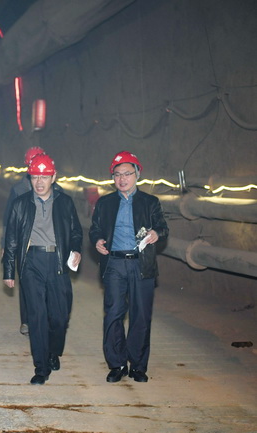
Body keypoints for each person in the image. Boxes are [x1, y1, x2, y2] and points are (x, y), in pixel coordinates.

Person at [3, 153, 83, 385]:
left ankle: (53, 352)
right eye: (35, 177)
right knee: (37, 316)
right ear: (29, 178)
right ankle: (41, 367)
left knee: (59, 317)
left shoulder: (65, 202)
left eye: (44, 177)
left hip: (57, 261)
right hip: (31, 262)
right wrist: (9, 271)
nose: (39, 182)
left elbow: (76, 232)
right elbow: (11, 240)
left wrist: (76, 250)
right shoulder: (20, 204)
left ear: (53, 177)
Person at [89, 151, 168, 383]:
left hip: (141, 264)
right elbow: (95, 228)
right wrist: (97, 240)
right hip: (114, 263)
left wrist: (156, 233)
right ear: (112, 177)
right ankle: (117, 364)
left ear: (137, 174)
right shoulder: (104, 203)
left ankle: (138, 366)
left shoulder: (150, 202)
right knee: (113, 314)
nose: (122, 179)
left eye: (127, 174)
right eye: (117, 174)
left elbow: (163, 227)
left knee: (140, 315)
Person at [1, 146, 44, 336]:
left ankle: (43, 318)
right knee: (26, 282)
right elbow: (8, 220)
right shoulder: (18, 190)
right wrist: (5, 245)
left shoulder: (55, 189)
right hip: (23, 243)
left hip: (46, 244)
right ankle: (26, 320)